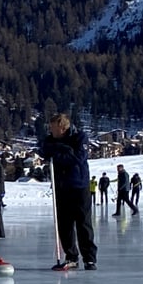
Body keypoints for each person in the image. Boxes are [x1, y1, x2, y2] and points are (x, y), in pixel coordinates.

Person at [40, 112, 96, 270]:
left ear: (62, 128)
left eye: (53, 128)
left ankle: (89, 258)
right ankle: (71, 256)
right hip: (61, 186)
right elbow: (44, 150)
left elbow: (78, 158)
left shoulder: (80, 137)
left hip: (79, 185)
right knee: (64, 224)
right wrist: (60, 150)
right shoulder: (51, 139)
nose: (50, 131)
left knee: (83, 223)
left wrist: (58, 154)